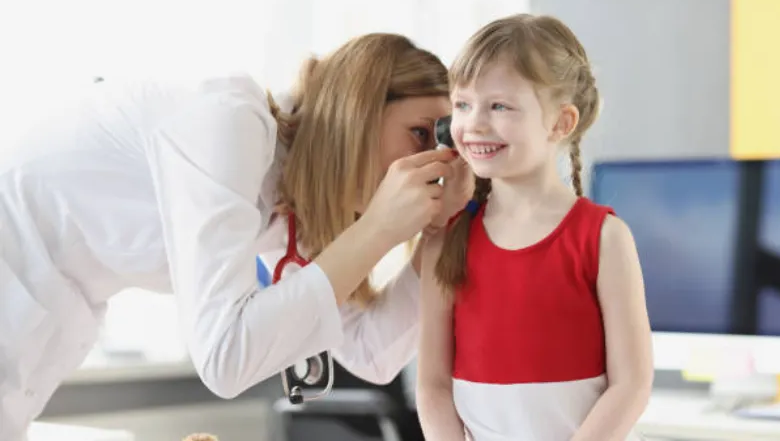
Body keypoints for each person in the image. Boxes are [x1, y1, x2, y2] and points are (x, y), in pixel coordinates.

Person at [0, 32, 469, 440]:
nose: (430, 161)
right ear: (360, 110)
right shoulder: (230, 123)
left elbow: (371, 353)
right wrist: (380, 227)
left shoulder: (297, 196)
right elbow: (225, 359)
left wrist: (440, 234)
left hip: (42, 322)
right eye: (420, 133)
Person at [416, 14, 653, 440]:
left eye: (499, 106)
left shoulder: (604, 238)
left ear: (561, 123)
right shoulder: (445, 240)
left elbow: (631, 384)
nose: (474, 124)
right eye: (463, 105)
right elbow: (433, 385)